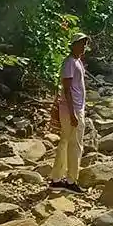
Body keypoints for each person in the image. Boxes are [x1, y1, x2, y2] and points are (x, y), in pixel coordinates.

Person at [49, 34, 89, 192]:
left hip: (75, 108)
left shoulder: (76, 61)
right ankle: (71, 181)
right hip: (72, 109)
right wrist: (73, 113)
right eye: (81, 44)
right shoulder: (69, 63)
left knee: (65, 142)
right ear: (73, 45)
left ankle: (57, 179)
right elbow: (66, 89)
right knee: (75, 145)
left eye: (85, 44)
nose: (83, 47)